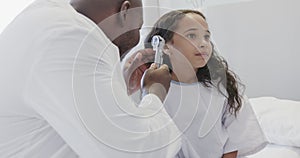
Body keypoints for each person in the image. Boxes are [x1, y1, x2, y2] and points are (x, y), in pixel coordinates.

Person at [0, 0, 182, 157]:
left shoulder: (41, 23)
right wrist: (154, 92)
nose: (136, 39)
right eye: (138, 28)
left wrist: (121, 88)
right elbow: (132, 150)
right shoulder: (72, 36)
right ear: (124, 11)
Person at [144, 9, 268, 158]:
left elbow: (236, 138)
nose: (203, 43)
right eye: (191, 35)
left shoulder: (221, 85)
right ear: (164, 46)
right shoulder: (154, 88)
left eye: (206, 36)